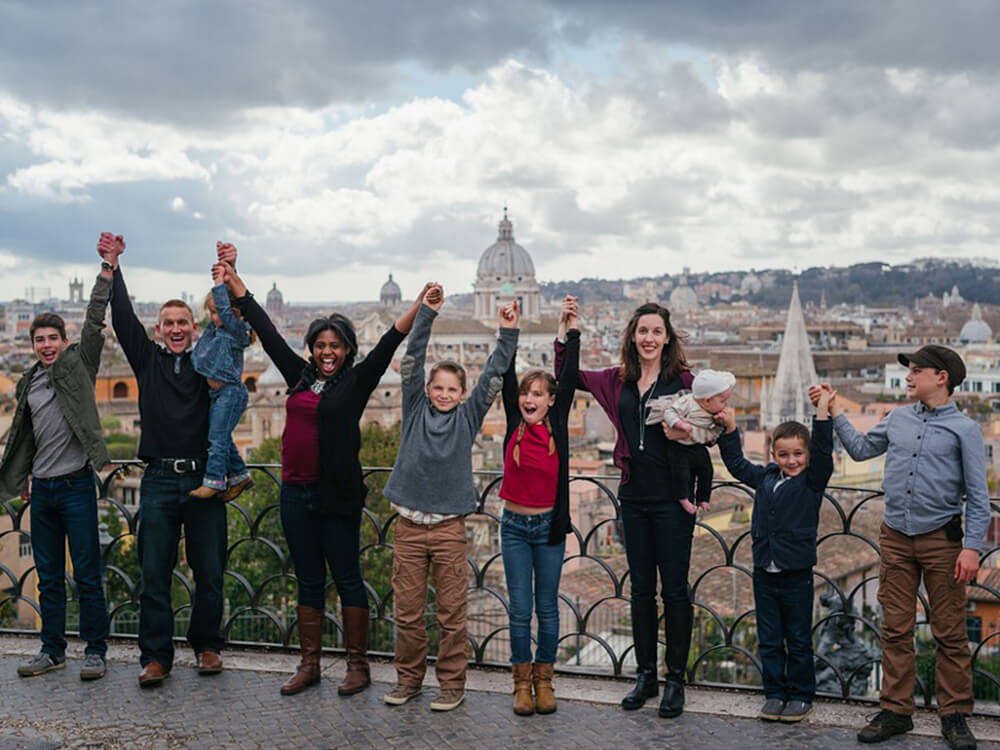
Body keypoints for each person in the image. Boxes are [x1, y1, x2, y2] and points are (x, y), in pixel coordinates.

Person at [219, 259, 432, 698]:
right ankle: (310, 664)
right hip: (295, 493)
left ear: (347, 350)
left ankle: (358, 667)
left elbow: (390, 341)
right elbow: (268, 331)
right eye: (320, 345)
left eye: (335, 345)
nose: (327, 351)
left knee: (348, 577)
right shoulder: (297, 375)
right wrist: (238, 285)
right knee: (308, 579)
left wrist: (418, 305)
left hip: (337, 495)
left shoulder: (356, 382)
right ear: (312, 349)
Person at [810, 344, 989, 750]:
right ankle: (896, 711)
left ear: (941, 378)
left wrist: (972, 548)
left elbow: (978, 497)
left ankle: (955, 715)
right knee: (895, 629)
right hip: (895, 537)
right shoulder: (897, 418)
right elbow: (858, 450)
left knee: (950, 633)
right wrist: (834, 410)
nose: (908, 377)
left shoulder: (965, 429)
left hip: (943, 542)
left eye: (916, 371)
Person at [100, 235, 230, 687]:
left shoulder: (206, 364)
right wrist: (114, 266)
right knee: (154, 572)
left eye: (183, 323)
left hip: (203, 478)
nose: (175, 329)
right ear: (159, 331)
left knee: (210, 570)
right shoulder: (147, 362)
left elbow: (233, 326)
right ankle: (156, 657)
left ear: (194, 329)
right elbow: (122, 318)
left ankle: (207, 645)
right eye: (168, 323)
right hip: (156, 480)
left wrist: (227, 277)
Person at [382, 288, 519, 712]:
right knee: (406, 614)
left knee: (451, 615)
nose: (443, 394)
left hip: (447, 530)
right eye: (437, 388)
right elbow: (413, 357)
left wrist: (508, 331)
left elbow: (494, 374)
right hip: (407, 528)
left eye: (451, 389)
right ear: (427, 390)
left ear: (462, 394)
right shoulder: (414, 405)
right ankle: (408, 680)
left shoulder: (469, 415)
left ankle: (451, 685)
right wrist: (427, 313)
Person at [555, 302, 694, 718]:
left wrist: (689, 432)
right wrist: (568, 335)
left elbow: (716, 424)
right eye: (642, 331)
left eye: (656, 331)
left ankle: (676, 680)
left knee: (675, 591)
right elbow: (569, 377)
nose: (649, 338)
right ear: (632, 337)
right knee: (639, 591)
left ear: (667, 337)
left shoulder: (684, 382)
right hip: (633, 496)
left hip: (674, 499)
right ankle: (646, 675)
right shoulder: (616, 381)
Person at [0, 241, 113, 681]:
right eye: (39, 340)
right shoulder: (28, 383)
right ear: (33, 345)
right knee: (47, 577)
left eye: (52, 339)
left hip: (77, 487)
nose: (46, 345)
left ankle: (96, 652)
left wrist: (107, 269)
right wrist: (24, 477)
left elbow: (94, 321)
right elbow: (25, 440)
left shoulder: (79, 366)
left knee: (86, 575)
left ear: (64, 343)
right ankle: (53, 651)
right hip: (42, 491)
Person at [716, 390, 834, 723]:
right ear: (773, 454)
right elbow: (738, 465)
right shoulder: (766, 477)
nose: (792, 460)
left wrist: (822, 414)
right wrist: (730, 430)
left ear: (808, 455)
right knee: (769, 638)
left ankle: (800, 695)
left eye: (798, 453)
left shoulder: (813, 480)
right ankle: (775, 693)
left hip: (797, 573)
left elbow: (825, 452)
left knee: (797, 638)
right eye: (784, 454)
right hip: (764, 572)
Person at [499, 295, 579, 716]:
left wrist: (569, 331)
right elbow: (506, 376)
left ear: (552, 400)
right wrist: (509, 330)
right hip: (512, 526)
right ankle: (520, 685)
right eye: (526, 394)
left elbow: (568, 372)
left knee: (547, 609)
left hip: (548, 529)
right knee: (519, 609)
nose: (530, 399)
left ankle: (545, 682)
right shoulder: (514, 420)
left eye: (539, 394)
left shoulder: (559, 428)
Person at [189, 256, 253, 501]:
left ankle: (214, 481)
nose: (214, 317)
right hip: (218, 394)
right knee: (220, 436)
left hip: (230, 392)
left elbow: (226, 310)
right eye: (211, 313)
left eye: (217, 313)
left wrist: (219, 282)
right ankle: (239, 475)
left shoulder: (236, 331)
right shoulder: (215, 331)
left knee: (217, 438)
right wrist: (227, 272)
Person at [646, 369, 735, 514]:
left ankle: (703, 498)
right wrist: (679, 424)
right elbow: (669, 412)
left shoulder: (715, 411)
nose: (725, 405)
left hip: (697, 446)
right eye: (722, 401)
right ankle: (683, 497)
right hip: (679, 448)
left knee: (707, 470)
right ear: (707, 401)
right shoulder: (687, 401)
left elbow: (714, 434)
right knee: (681, 473)